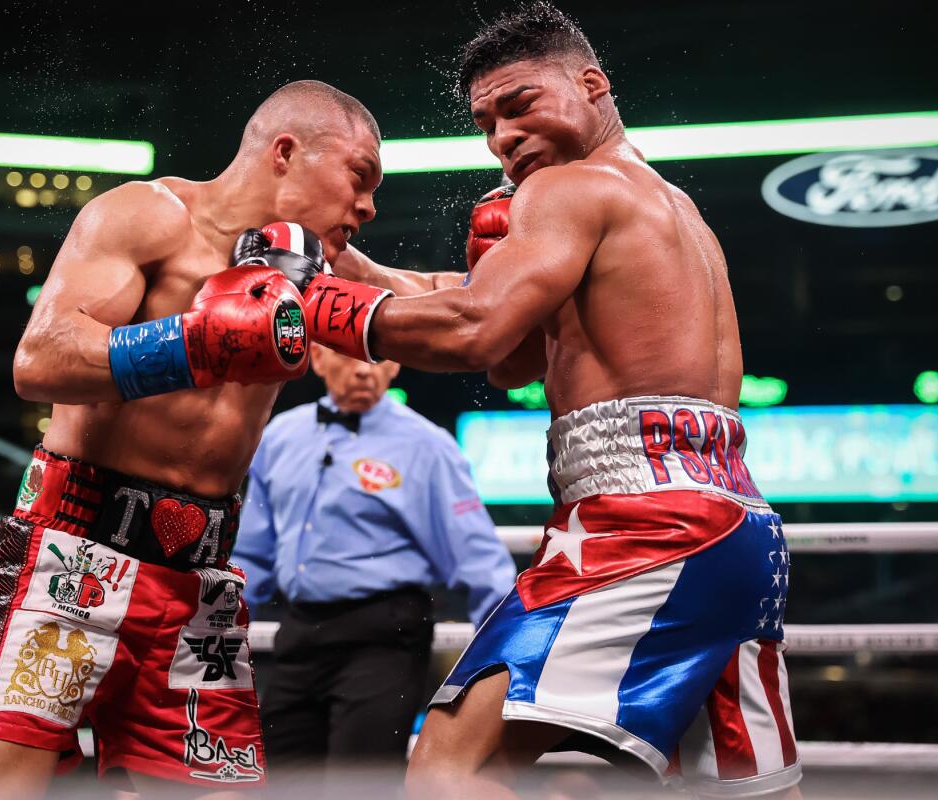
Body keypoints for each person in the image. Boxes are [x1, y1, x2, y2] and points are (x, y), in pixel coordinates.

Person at [309, 3, 802, 798]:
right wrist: (341, 265)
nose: (502, 136)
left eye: (520, 104)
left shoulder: (567, 191)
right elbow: (506, 350)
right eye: (485, 122)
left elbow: (472, 330)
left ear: (592, 83)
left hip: (642, 527)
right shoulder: (676, 210)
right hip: (737, 532)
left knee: (446, 766)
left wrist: (303, 310)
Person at [0, 79, 384, 800]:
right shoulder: (147, 216)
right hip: (73, 556)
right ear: (285, 152)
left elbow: (440, 305)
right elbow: (39, 359)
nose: (367, 206)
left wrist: (526, 253)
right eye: (358, 178)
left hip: (198, 587)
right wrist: (197, 343)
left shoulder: (314, 274)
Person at [234, 343, 515, 784]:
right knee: (282, 782)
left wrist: (501, 658)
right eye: (347, 357)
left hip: (385, 634)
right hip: (300, 633)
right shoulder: (280, 437)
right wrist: (214, 619)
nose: (364, 371)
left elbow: (478, 555)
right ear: (319, 360)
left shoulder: (427, 446)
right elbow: (253, 553)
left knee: (359, 786)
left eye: (377, 359)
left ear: (395, 364)